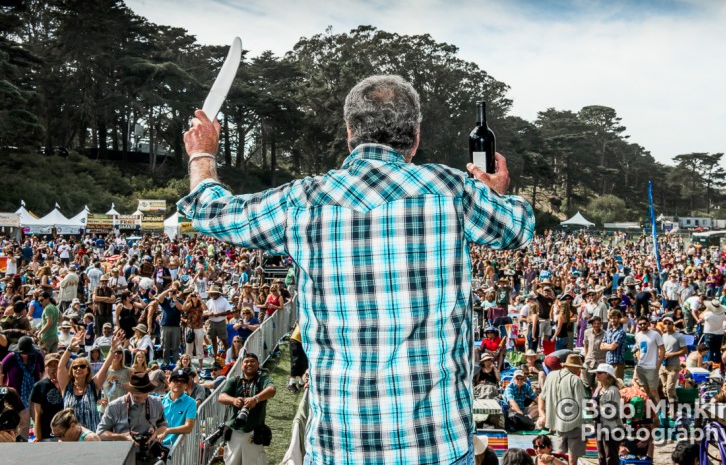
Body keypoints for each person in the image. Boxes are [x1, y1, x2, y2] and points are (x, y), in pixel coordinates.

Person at [180, 74, 534, 463]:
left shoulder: (302, 200)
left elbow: (210, 212)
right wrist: (492, 192)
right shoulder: (451, 190)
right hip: (438, 445)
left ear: (350, 132)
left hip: (341, 447)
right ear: (415, 137)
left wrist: (203, 156)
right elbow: (517, 227)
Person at [57, 330, 125, 431]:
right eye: (75, 367)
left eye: (82, 366)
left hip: (91, 436)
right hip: (69, 436)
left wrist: (113, 349)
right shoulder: (66, 386)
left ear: (88, 370)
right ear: (71, 371)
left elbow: (105, 366)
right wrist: (70, 348)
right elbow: (61, 366)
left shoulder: (93, 385)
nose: (78, 368)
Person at [97, 370, 168, 465]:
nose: (142, 400)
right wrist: (123, 436)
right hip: (123, 457)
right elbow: (100, 433)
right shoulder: (114, 406)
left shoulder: (157, 402)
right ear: (129, 391)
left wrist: (155, 433)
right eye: (137, 397)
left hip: (150, 457)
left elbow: (163, 426)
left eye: (145, 396)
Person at [218, 353, 276, 465]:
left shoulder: (262, 379)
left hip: (253, 431)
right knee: (231, 462)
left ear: (258, 364)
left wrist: (255, 399)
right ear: (241, 365)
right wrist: (233, 400)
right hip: (234, 430)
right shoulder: (234, 380)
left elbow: (272, 390)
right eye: (246, 362)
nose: (249, 364)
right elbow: (221, 397)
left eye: (252, 361)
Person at [538, 354, 586, 465]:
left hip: (555, 422)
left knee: (559, 454)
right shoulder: (576, 380)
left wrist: (543, 413)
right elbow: (581, 403)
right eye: (579, 368)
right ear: (575, 367)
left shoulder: (550, 376)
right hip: (573, 423)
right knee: (572, 456)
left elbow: (543, 396)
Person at [0, 336, 44, 439]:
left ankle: (40, 441)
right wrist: (2, 386)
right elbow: (2, 370)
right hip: (16, 394)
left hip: (35, 395)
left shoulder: (37, 356)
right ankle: (23, 441)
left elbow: (43, 369)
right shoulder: (11, 357)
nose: (25, 354)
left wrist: (41, 382)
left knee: (38, 419)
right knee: (22, 422)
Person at [591, 363, 624, 465]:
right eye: (597, 372)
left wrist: (595, 408)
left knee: (611, 456)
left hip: (611, 428)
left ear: (607, 375)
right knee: (602, 455)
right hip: (600, 425)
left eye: (599, 373)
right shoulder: (599, 389)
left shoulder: (613, 390)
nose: (597, 374)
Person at [155, 368, 196, 447]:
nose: (178, 383)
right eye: (175, 380)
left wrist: (168, 431)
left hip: (177, 448)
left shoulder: (191, 402)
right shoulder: (159, 400)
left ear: (186, 385)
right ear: (169, 383)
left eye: (182, 381)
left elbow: (188, 427)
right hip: (157, 444)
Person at [30, 352, 64, 441]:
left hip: (65, 433)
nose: (53, 368)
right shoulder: (39, 386)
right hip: (47, 434)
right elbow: (37, 414)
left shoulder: (66, 383)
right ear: (46, 368)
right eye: (50, 365)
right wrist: (38, 437)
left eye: (56, 364)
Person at [633, 317, 664, 403]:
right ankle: (649, 410)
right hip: (641, 367)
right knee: (645, 390)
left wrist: (658, 364)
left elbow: (662, 349)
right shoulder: (638, 335)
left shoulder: (655, 334)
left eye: (644, 323)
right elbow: (639, 350)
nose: (643, 325)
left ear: (648, 323)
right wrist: (638, 363)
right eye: (640, 324)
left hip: (652, 367)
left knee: (654, 390)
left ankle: (658, 412)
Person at [660, 315, 687, 411]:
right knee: (664, 389)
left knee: (669, 388)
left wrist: (671, 354)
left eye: (669, 323)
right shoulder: (663, 336)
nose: (667, 325)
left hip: (674, 365)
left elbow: (684, 350)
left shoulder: (679, 336)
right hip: (663, 365)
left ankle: (673, 410)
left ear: (673, 324)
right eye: (665, 323)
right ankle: (673, 406)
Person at [155, 284, 183, 367]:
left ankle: (177, 364)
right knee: (165, 346)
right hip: (165, 326)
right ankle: (166, 363)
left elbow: (180, 308)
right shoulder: (165, 300)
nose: (172, 293)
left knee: (175, 346)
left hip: (176, 326)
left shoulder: (179, 300)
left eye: (173, 292)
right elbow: (159, 297)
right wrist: (168, 290)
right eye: (171, 292)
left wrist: (175, 299)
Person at [203, 285, 232, 359]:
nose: (212, 294)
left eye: (213, 293)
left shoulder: (224, 300)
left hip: (221, 322)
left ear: (218, 293)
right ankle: (215, 357)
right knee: (213, 340)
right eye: (211, 293)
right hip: (211, 322)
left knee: (224, 340)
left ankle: (228, 356)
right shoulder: (209, 301)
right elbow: (205, 312)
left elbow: (228, 311)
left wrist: (218, 314)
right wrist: (209, 314)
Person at [601, 309, 626, 380]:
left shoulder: (621, 332)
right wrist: (610, 346)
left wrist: (606, 345)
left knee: (618, 384)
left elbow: (613, 347)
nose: (612, 320)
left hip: (618, 363)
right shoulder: (608, 332)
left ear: (619, 319)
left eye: (614, 318)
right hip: (608, 361)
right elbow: (601, 346)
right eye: (611, 318)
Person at [287, 322, 308, 393]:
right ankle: (291, 383)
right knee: (296, 361)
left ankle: (301, 382)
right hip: (296, 340)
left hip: (303, 341)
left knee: (304, 361)